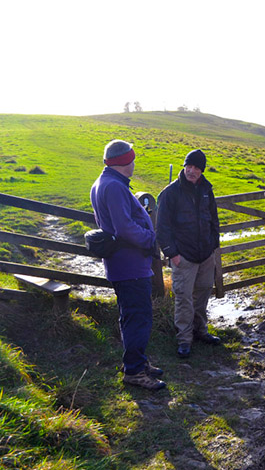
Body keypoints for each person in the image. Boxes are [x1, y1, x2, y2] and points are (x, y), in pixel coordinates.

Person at [90, 140, 165, 390]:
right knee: (138, 317)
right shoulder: (114, 187)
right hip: (130, 264)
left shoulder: (104, 183)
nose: (134, 163)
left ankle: (136, 361)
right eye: (132, 159)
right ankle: (133, 371)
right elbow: (124, 228)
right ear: (124, 162)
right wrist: (150, 238)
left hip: (123, 263)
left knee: (131, 315)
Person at [156, 149, 221, 359]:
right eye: (188, 166)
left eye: (196, 168)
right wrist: (173, 254)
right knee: (183, 298)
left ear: (202, 170)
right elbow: (162, 228)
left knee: (203, 293)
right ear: (184, 166)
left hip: (205, 254)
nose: (191, 171)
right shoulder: (170, 193)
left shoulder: (206, 190)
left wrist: (213, 245)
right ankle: (184, 339)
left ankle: (201, 331)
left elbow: (213, 219)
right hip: (183, 256)